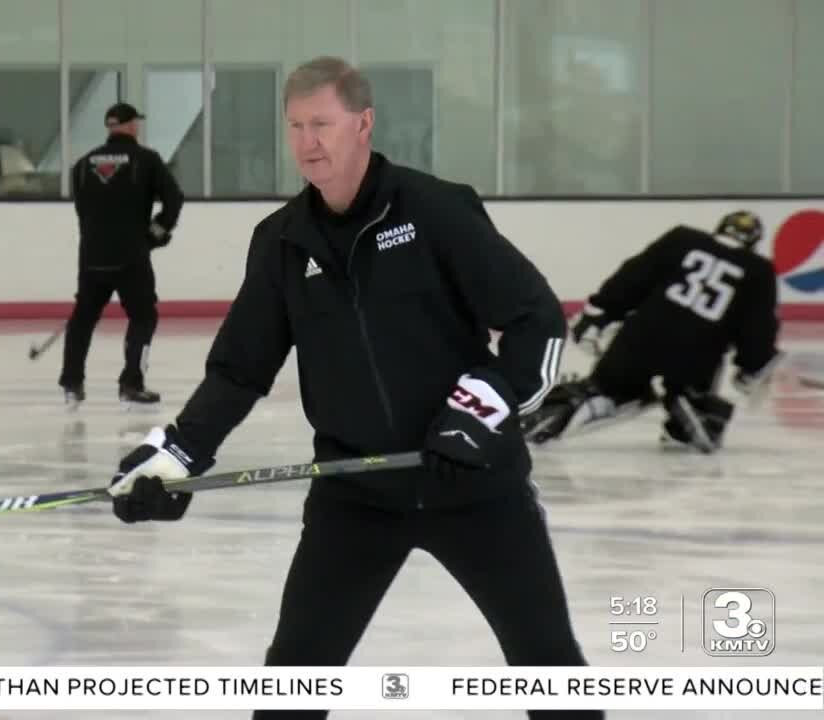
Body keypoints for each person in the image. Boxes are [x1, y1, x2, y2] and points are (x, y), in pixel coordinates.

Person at [103, 57, 601, 720]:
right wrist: (179, 453)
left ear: (363, 124)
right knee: (289, 693)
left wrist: (485, 406)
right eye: (296, 126)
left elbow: (535, 320)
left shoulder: (435, 210)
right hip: (355, 493)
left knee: (552, 676)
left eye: (323, 124)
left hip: (476, 488)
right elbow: (240, 369)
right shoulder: (281, 241)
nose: (309, 142)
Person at [521, 210, 782, 453]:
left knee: (604, 388)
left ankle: (566, 407)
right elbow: (756, 327)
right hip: (696, 354)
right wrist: (751, 367)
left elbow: (633, 277)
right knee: (697, 406)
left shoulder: (682, 239)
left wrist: (600, 314)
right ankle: (689, 409)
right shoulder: (758, 271)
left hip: (641, 338)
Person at [58, 102, 184, 410]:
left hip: (92, 256)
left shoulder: (83, 165)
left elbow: (82, 209)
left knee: (83, 319)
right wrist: (155, 235)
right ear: (130, 126)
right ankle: (132, 383)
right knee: (143, 316)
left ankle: (71, 383)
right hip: (131, 256)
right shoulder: (145, 160)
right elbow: (174, 199)